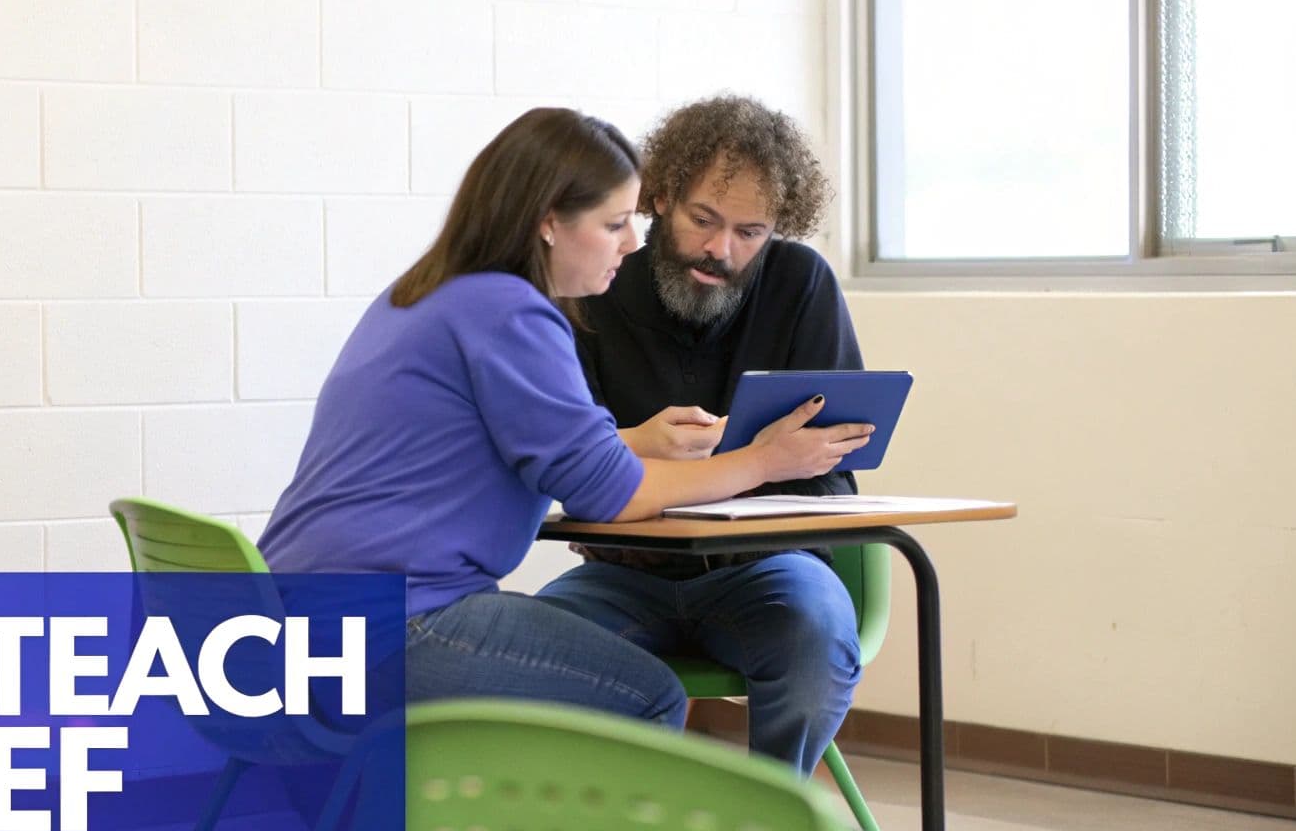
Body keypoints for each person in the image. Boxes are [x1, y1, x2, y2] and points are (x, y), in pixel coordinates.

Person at [256, 106, 873, 732]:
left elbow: (509, 447)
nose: (633, 242)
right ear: (550, 223)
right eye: (614, 224)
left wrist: (630, 440)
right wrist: (764, 460)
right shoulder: (514, 315)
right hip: (394, 620)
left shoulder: (425, 294)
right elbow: (609, 491)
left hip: (291, 616)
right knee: (647, 696)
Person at [535, 93, 865, 776]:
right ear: (659, 198)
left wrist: (743, 470)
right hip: (626, 577)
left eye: (750, 232)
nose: (721, 250)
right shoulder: (594, 283)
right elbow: (575, 467)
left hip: (768, 572)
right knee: (530, 659)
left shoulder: (801, 284)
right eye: (703, 220)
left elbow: (832, 468)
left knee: (817, 642)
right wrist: (652, 444)